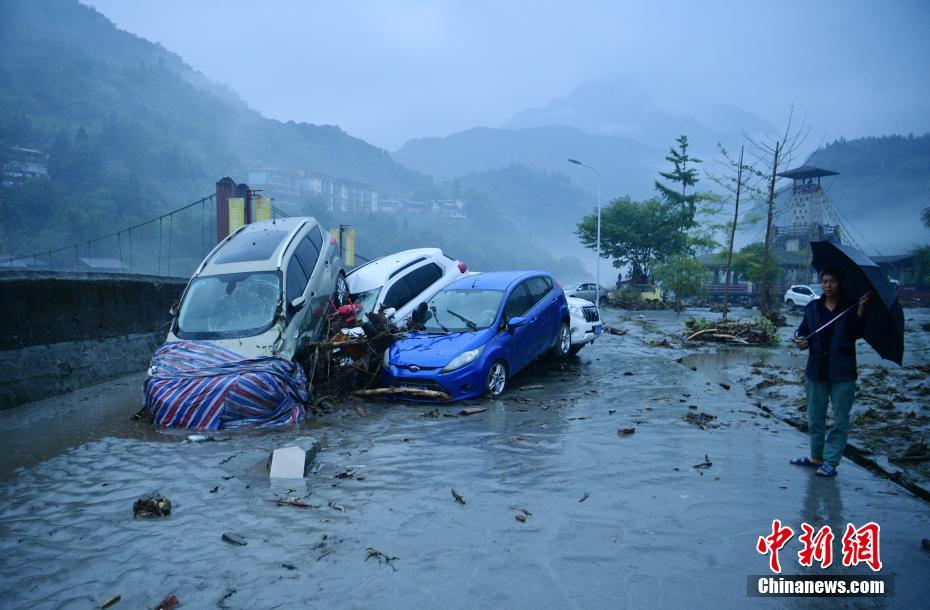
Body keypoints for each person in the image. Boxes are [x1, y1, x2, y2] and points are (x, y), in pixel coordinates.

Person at [790, 267, 871, 477]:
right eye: (824, 281)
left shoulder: (850, 306)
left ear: (840, 284)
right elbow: (803, 332)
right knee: (815, 417)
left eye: (832, 281)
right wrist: (801, 341)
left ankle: (831, 462)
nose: (828, 285)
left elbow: (856, 333)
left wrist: (861, 308)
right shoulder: (813, 307)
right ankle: (816, 456)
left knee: (840, 419)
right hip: (816, 370)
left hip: (842, 371)